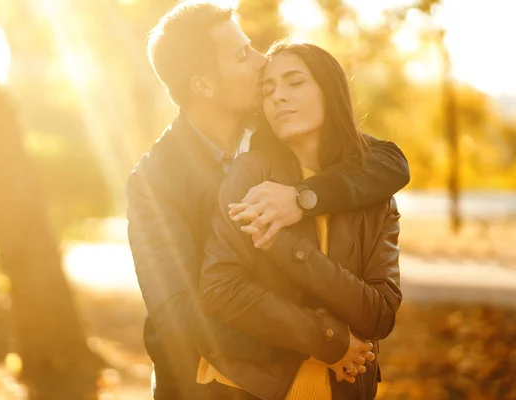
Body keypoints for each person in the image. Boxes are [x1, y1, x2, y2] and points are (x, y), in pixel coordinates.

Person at [126, 2, 409, 399]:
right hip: (201, 384)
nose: (262, 63)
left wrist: (304, 198)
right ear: (204, 85)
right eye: (243, 55)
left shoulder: (276, 125)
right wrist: (323, 341)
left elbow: (389, 162)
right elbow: (180, 310)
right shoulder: (155, 180)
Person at [198, 42, 402, 400]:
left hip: (345, 388)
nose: (278, 97)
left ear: (330, 91)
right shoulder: (251, 173)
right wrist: (330, 338)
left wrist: (284, 245)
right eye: (268, 89)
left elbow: (380, 316)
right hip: (248, 388)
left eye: (294, 82)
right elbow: (223, 289)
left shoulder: (372, 190)